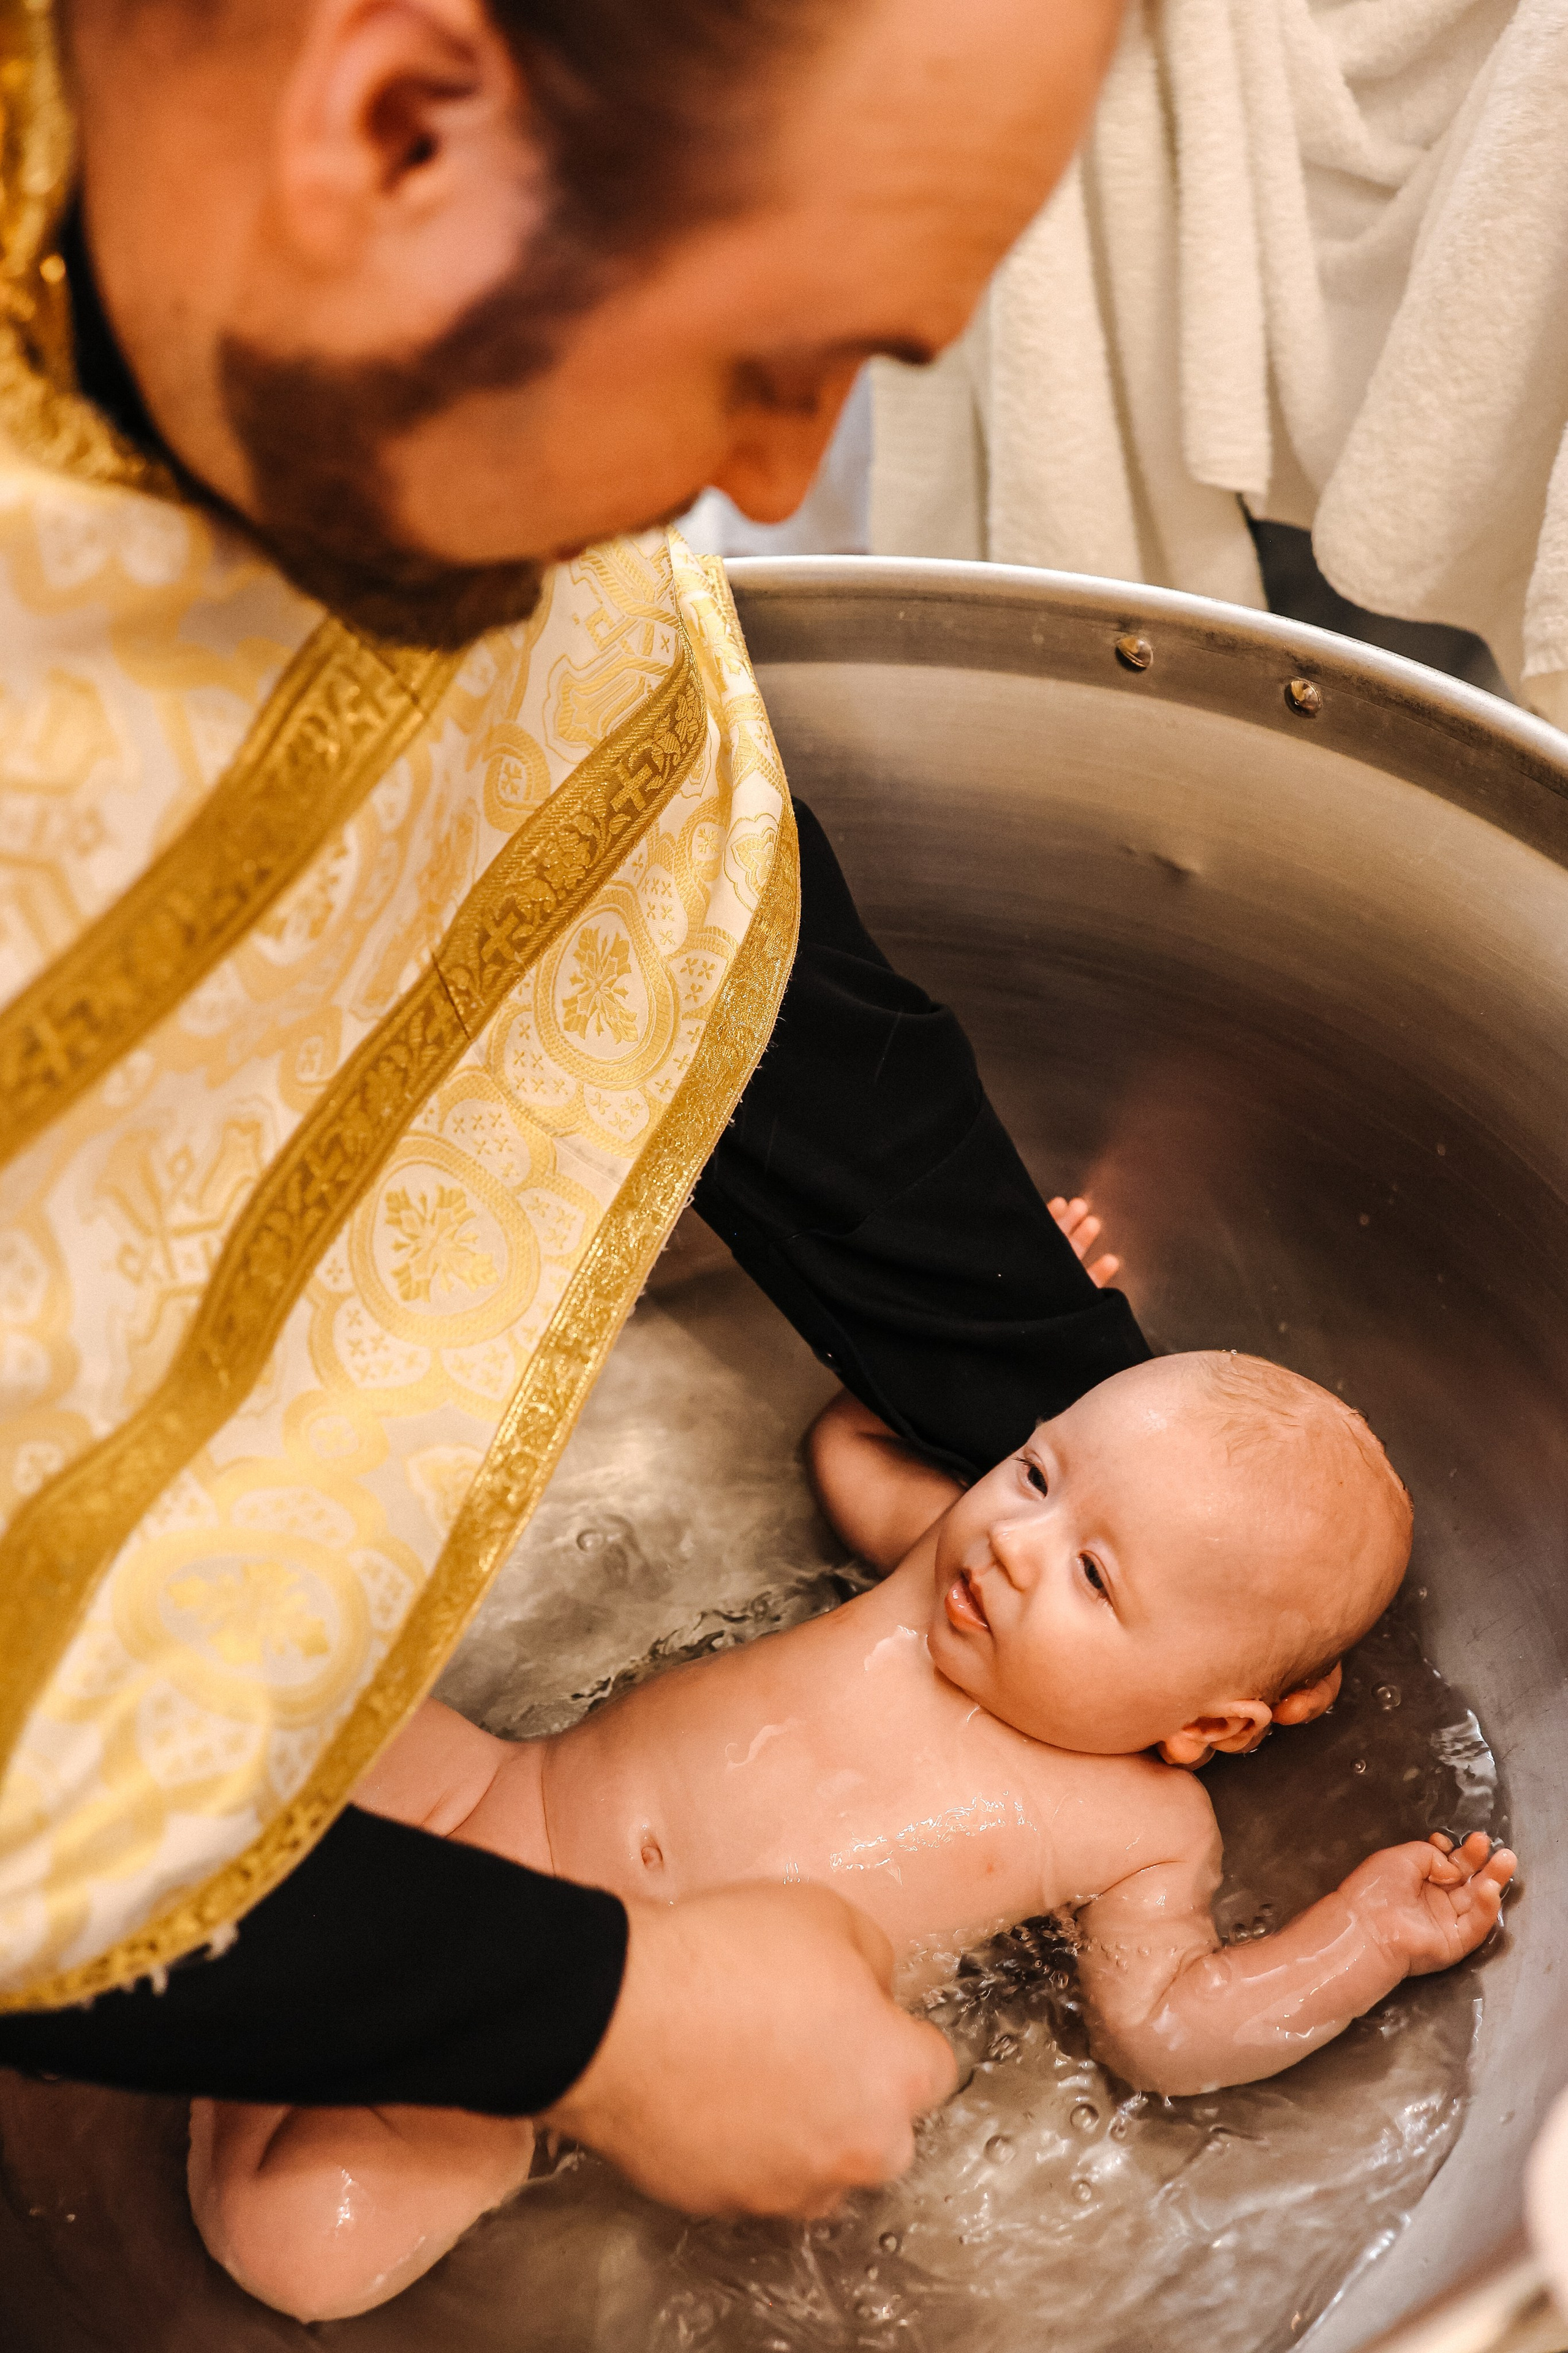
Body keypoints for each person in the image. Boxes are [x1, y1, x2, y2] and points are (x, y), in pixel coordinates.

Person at [0, 0, 1140, 2226]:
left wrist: (1087, 1417)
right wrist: (600, 2024)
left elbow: (618, 838)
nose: (784, 481)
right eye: (766, 356)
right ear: (403, 121)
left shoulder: (360, 315)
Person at [186, 1348, 1516, 2321]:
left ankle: (228, 2021)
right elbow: (846, 1448)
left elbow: (1163, 2031)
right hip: (481, 1791)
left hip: (554, 2064)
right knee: (251, 1691)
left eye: (1095, 1575)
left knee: (299, 2245)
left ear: (1212, 1726)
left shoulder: (1139, 1826)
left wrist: (1358, 1937)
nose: (1012, 1541)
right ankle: (206, 1926)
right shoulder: (942, 1564)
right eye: (1037, 1469)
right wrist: (931, 1350)